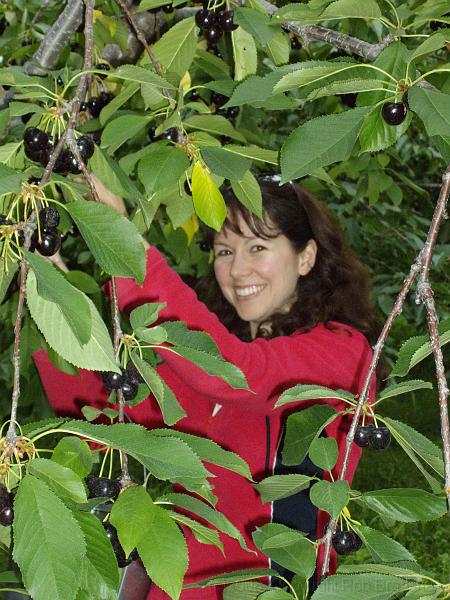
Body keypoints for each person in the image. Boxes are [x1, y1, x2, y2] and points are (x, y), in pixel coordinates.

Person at [34, 176, 379, 599]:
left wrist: (122, 244)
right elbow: (108, 415)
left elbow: (237, 373)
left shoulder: (342, 354)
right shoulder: (215, 375)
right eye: (224, 251)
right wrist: (44, 278)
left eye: (258, 247)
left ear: (306, 257)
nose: (237, 269)